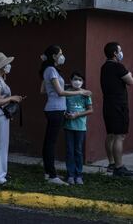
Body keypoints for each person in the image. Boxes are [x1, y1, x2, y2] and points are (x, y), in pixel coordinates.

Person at [40, 45, 91, 185]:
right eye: (60, 53)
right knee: (51, 143)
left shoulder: (49, 70)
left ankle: (47, 172)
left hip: (53, 108)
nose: (62, 56)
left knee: (48, 142)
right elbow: (60, 92)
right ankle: (52, 175)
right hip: (55, 110)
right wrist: (80, 92)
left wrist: (65, 86)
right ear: (54, 56)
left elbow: (43, 90)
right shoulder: (51, 70)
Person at [0, 52, 25, 184]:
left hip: (1, 115)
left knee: (2, 146)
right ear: (2, 66)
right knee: (0, 146)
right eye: (7, 64)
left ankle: (2, 174)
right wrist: (12, 98)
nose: (9, 66)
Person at [100, 42, 133, 177]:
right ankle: (119, 168)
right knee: (119, 136)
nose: (121, 52)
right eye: (119, 50)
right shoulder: (118, 66)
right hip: (119, 106)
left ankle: (112, 163)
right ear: (115, 53)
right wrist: (129, 73)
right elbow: (130, 81)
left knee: (111, 135)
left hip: (108, 105)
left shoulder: (104, 67)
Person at [64, 72, 93, 185]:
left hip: (80, 127)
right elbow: (63, 107)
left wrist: (77, 115)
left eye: (80, 79)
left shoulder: (85, 94)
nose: (77, 81)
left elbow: (90, 110)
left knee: (78, 151)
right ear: (71, 80)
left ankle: (79, 175)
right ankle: (70, 175)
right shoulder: (66, 93)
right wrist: (66, 114)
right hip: (68, 126)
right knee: (69, 151)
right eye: (75, 79)